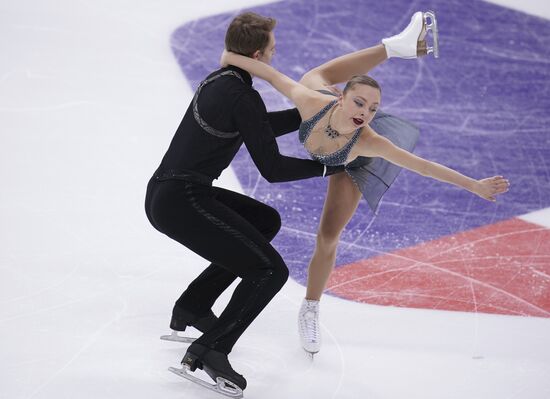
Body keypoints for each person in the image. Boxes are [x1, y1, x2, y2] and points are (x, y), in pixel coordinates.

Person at [220, 10, 510, 357]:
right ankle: (394, 46)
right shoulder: (311, 99)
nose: (365, 112)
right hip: (323, 103)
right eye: (359, 102)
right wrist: (230, 58)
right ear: (340, 97)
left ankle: (310, 307)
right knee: (314, 76)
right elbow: (261, 70)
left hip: (348, 165)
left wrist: (474, 186)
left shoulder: (370, 142)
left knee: (327, 236)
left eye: (373, 109)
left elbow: (425, 167)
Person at [144, 12, 346, 396]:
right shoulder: (242, 94)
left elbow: (257, 125)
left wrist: (314, 111)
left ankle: (194, 306)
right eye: (272, 48)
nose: (275, 52)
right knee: (269, 271)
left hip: (168, 192)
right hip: (183, 200)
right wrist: (328, 169)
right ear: (258, 52)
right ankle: (211, 350)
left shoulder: (222, 81)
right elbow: (271, 168)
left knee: (263, 221)